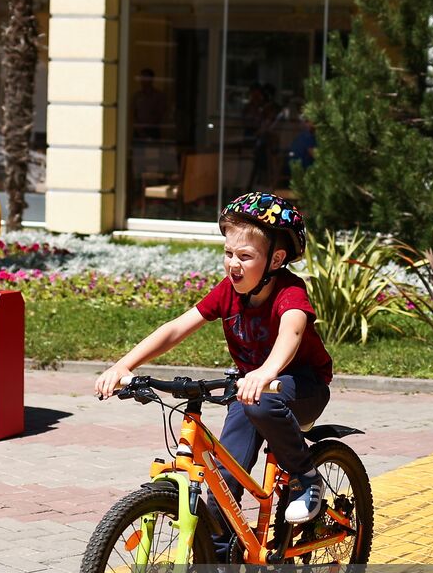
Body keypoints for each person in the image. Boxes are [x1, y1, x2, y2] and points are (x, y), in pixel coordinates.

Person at [95, 193, 335, 544]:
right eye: (228, 253)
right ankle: (220, 563)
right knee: (224, 476)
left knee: (262, 401)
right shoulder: (228, 293)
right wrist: (123, 365)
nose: (233, 264)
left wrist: (266, 371)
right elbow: (177, 328)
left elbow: (293, 331)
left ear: (276, 259)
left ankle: (306, 476)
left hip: (302, 387)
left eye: (245, 256)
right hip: (251, 391)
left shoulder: (289, 291)